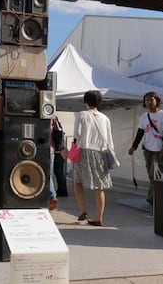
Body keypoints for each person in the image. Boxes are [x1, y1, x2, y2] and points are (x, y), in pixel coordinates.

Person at [73, 90, 115, 226]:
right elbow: (109, 139)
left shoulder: (81, 115)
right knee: (99, 186)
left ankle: (83, 210)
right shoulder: (105, 118)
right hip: (100, 153)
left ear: (86, 101)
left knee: (78, 182)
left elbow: (77, 134)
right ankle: (98, 217)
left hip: (84, 152)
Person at [128, 91, 163, 206]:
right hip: (147, 149)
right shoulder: (144, 117)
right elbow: (140, 133)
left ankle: (151, 198)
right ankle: (156, 198)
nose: (149, 102)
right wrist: (134, 147)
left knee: (154, 175)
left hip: (159, 149)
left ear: (157, 100)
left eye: (151, 99)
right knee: (151, 175)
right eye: (147, 100)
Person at [48, 115, 65, 210]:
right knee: (49, 174)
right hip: (52, 150)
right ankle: (52, 196)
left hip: (40, 149)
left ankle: (52, 195)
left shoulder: (44, 118)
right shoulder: (54, 119)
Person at [51, 116, 68, 198]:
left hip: (57, 152)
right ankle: (62, 189)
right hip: (60, 152)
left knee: (57, 172)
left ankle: (62, 190)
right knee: (59, 172)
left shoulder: (54, 127)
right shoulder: (59, 126)